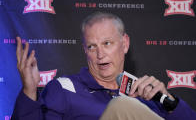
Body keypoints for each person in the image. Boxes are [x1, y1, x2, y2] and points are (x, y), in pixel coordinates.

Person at [12, 12, 196, 120]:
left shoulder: (145, 92)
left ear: (124, 44)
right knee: (123, 105)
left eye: (107, 43)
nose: (100, 54)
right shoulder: (64, 88)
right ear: (85, 50)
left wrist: (170, 103)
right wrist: (29, 91)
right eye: (92, 47)